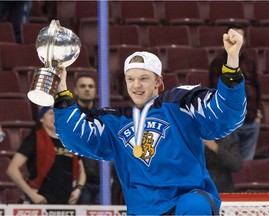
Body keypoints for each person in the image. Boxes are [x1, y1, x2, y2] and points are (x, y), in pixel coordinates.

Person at [53, 29, 246, 215]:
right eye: (131, 79)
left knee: (196, 205)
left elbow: (226, 114)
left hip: (185, 202)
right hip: (143, 209)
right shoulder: (114, 121)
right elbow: (75, 137)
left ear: (158, 82)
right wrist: (62, 91)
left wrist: (232, 62)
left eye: (144, 78)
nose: (136, 85)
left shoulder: (180, 104)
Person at [6, 106, 86, 204]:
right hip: (40, 200)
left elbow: (82, 171)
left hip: (66, 202)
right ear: (41, 118)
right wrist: (32, 195)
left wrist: (78, 189)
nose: (55, 117)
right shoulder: (34, 139)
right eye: (51, 113)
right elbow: (12, 170)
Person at [209, 23, 262, 160]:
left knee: (247, 162)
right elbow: (215, 90)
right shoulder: (219, 61)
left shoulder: (250, 61)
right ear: (227, 38)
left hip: (251, 119)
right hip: (230, 121)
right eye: (234, 36)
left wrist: (259, 113)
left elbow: (257, 87)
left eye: (240, 36)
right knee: (231, 161)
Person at [73, 74, 101, 205]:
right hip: (79, 181)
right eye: (83, 86)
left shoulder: (102, 116)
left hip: (103, 180)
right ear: (76, 90)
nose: (87, 89)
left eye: (91, 86)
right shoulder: (70, 115)